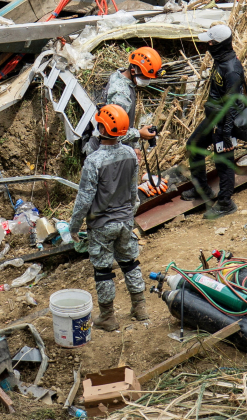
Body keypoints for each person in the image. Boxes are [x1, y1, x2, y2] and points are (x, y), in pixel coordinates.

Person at [70, 104, 146, 331]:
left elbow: (84, 199)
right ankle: (140, 307)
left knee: (103, 270)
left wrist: (74, 226)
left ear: (102, 128)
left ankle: (108, 317)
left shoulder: (94, 161)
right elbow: (134, 191)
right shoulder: (131, 154)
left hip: (102, 224)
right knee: (130, 263)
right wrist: (130, 214)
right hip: (124, 220)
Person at [184, 25, 247, 219]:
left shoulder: (231, 70)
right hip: (214, 118)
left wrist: (227, 134)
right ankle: (201, 189)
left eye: (211, 43)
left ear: (219, 45)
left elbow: (233, 103)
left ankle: (225, 202)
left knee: (224, 161)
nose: (208, 45)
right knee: (194, 145)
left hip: (225, 122)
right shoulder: (221, 61)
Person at [84, 48, 159, 157]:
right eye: (146, 77)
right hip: (101, 154)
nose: (148, 81)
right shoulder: (121, 95)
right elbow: (113, 131)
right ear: (133, 71)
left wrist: (135, 145)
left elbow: (125, 125)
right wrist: (139, 134)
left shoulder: (122, 77)